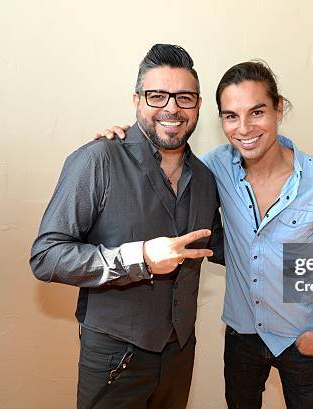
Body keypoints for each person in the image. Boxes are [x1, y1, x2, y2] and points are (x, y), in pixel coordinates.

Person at [99, 60, 313, 409]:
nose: (244, 128)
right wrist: (120, 144)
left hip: (302, 337)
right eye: (231, 116)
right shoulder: (213, 169)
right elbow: (164, 162)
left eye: (257, 112)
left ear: (278, 109)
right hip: (241, 337)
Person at [30, 44, 223, 409]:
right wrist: (141, 257)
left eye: (184, 97)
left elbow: (224, 245)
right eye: (157, 96)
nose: (171, 108)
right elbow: (46, 256)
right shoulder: (97, 159)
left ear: (198, 106)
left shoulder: (205, 178)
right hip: (113, 358)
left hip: (180, 354)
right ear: (137, 101)